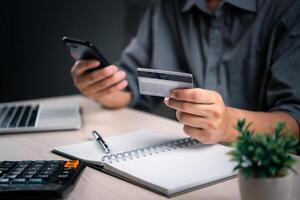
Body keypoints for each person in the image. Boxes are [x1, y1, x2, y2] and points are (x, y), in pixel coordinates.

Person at [70, 0, 300, 144]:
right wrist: (105, 89)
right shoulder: (166, 7)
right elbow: (132, 83)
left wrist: (228, 124)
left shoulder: (288, 9)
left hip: (262, 173)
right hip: (184, 154)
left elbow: (294, 122)